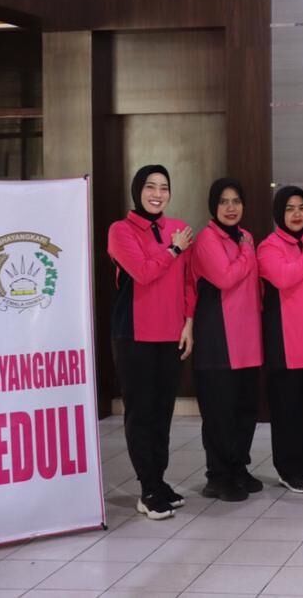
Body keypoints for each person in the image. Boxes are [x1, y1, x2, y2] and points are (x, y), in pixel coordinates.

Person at [106, 164, 195, 520]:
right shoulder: (120, 230)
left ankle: (158, 481)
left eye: (164, 187)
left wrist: (189, 323)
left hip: (170, 333)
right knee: (141, 413)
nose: (158, 194)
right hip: (134, 335)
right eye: (150, 187)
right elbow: (143, 272)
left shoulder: (178, 229)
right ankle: (148, 488)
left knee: (162, 413)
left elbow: (189, 281)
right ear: (137, 190)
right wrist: (173, 250)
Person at [188, 178, 263, 503]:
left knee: (245, 408)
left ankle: (238, 468)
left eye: (236, 201)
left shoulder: (245, 236)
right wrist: (246, 250)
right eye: (223, 201)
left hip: (248, 337)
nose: (231, 208)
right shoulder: (207, 238)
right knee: (219, 412)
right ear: (213, 206)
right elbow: (225, 277)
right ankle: (217, 476)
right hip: (218, 338)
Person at [258, 186, 303, 494]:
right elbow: (284, 278)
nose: (297, 214)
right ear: (279, 213)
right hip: (287, 343)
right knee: (287, 410)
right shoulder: (268, 247)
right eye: (290, 208)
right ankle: (288, 468)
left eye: (302, 208)